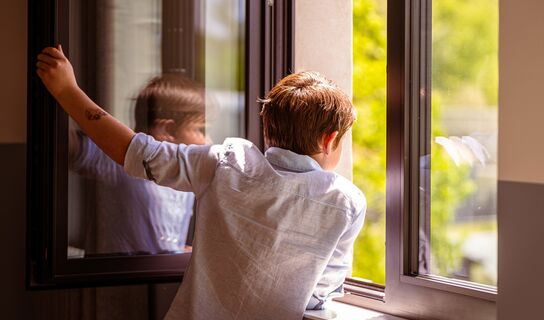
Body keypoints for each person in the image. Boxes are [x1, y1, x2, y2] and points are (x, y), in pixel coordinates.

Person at [37, 45, 366, 320]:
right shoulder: (346, 202)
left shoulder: (228, 162)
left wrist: (67, 91)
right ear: (329, 139)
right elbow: (319, 294)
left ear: (267, 132)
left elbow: (135, 151)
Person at [68, 74, 207, 255]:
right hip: (123, 279)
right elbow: (68, 143)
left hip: (163, 280)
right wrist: (67, 90)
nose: (206, 140)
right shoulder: (116, 160)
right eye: (201, 130)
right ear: (168, 129)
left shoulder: (186, 176)